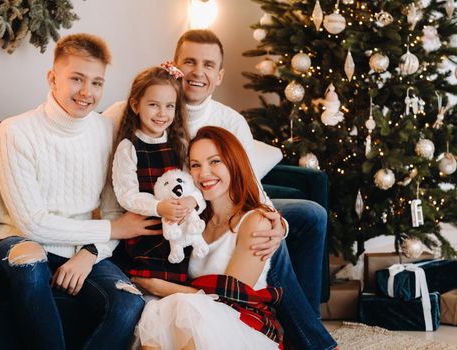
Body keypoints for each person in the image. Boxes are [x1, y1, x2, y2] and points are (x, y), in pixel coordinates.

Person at [103, 30, 336, 349]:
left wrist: (276, 224)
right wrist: (109, 226)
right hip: (171, 212)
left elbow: (248, 181)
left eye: (208, 65)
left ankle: (308, 333)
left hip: (217, 203)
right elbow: (107, 172)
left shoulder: (230, 120)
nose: (198, 72)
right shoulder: (135, 108)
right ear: (175, 65)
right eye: (190, 62)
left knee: (301, 217)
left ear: (219, 74)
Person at [0, 33, 160, 350]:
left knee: (130, 303)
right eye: (76, 79)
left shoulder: (108, 131)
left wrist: (90, 253)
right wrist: (111, 229)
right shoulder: (14, 132)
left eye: (97, 83)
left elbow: (112, 211)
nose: (87, 92)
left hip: (83, 242)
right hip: (18, 237)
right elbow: (32, 223)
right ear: (53, 79)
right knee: (30, 262)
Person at [132, 126, 283, 350]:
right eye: (195, 165)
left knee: (182, 309)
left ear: (234, 163)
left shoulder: (255, 221)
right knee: (158, 313)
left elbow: (231, 299)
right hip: (192, 314)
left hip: (240, 322)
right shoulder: (194, 219)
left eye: (215, 162)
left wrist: (159, 287)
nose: (204, 174)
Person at [111, 63, 205, 285]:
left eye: (169, 106)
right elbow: (127, 195)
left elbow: (197, 186)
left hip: (181, 233)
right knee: (150, 287)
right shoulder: (129, 146)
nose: (162, 113)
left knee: (178, 280)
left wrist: (193, 201)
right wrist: (157, 207)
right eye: (154, 105)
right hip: (147, 234)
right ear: (136, 105)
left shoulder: (180, 143)